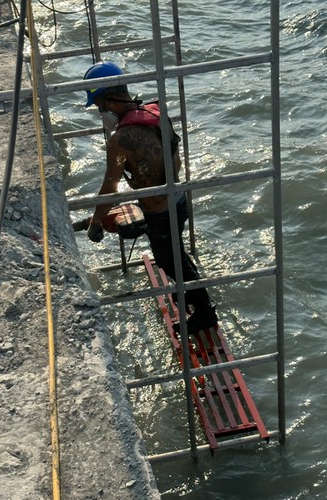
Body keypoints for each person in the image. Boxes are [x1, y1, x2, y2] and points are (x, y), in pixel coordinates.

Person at [83, 60, 218, 334]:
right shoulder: (157, 111)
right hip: (178, 200)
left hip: (160, 211)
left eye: (100, 104)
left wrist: (96, 224)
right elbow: (175, 160)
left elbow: (110, 186)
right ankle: (190, 296)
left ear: (110, 97)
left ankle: (205, 312)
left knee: (170, 261)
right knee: (176, 253)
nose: (100, 111)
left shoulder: (120, 140)